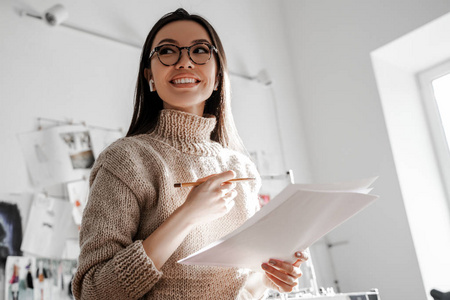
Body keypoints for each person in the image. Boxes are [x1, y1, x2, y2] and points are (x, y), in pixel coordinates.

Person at [72, 8, 308, 300]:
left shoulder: (240, 167)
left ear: (218, 76)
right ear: (151, 77)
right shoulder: (125, 160)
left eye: (199, 50)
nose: (184, 61)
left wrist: (270, 277)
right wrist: (187, 215)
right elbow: (94, 292)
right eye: (168, 51)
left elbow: (241, 288)